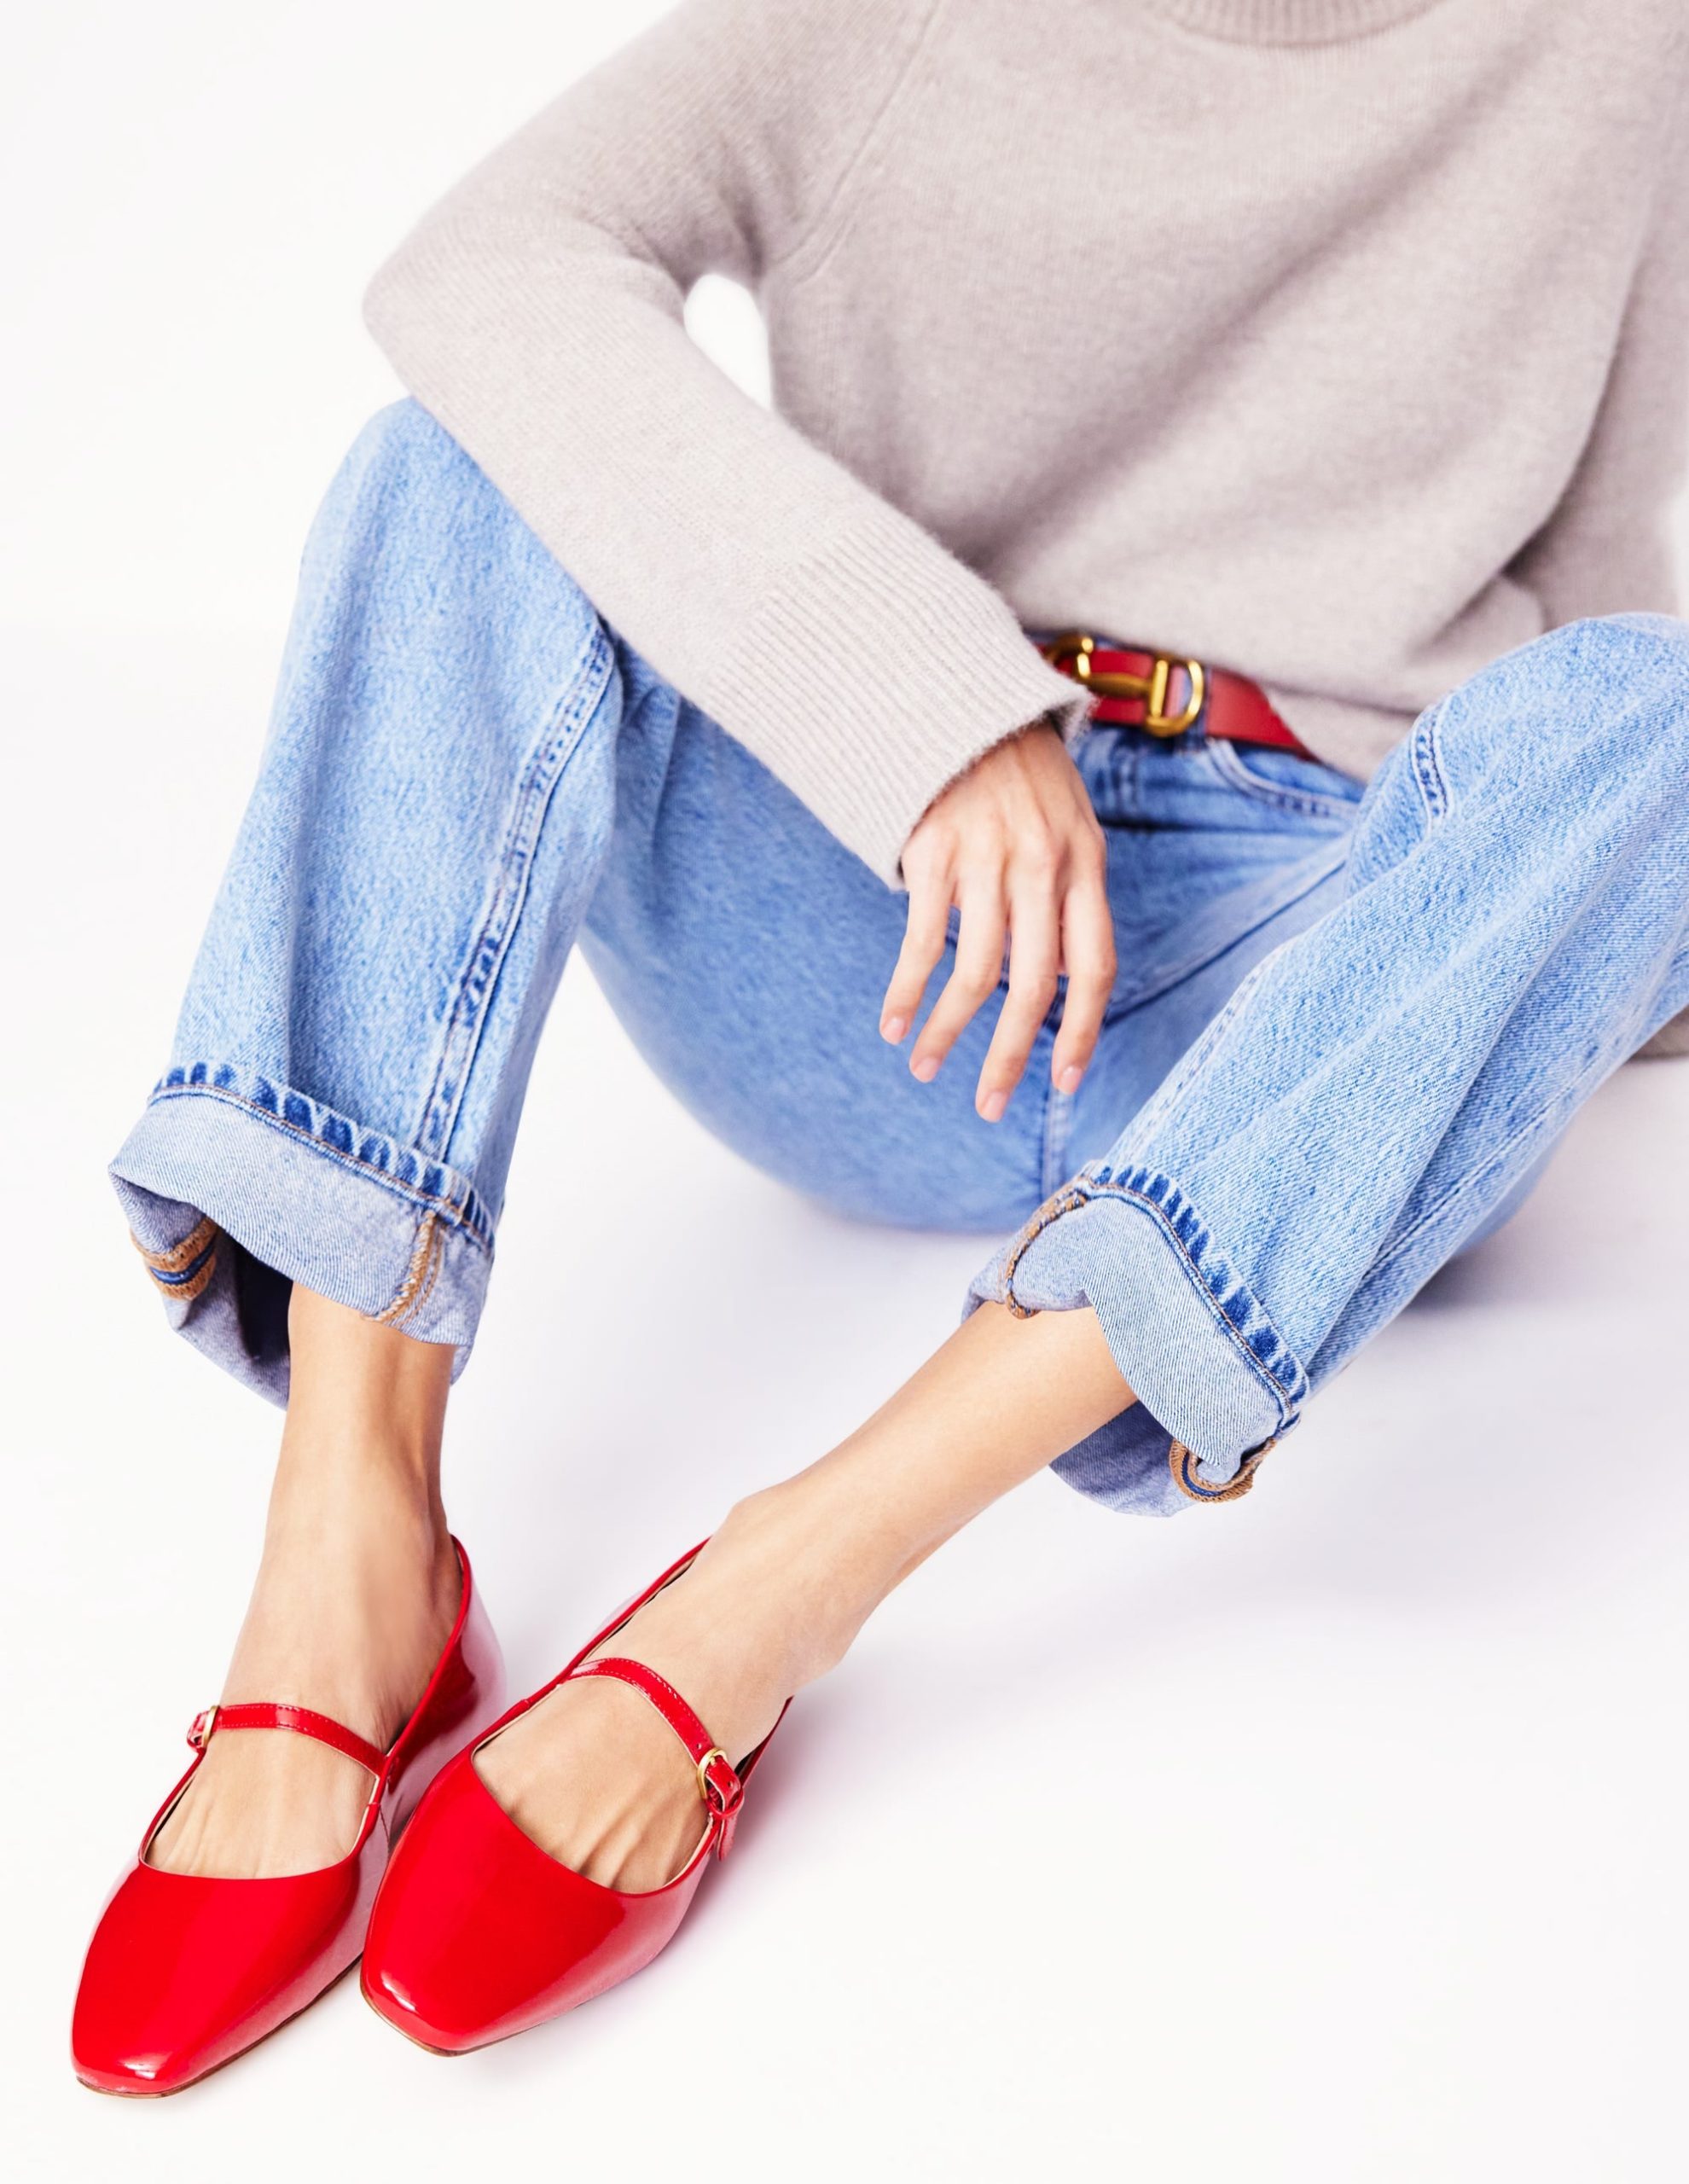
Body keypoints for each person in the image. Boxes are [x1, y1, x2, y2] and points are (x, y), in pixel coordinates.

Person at [72, 0, 1689, 2094]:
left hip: (1295, 997)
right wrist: (923, 705)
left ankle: (772, 1587)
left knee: (1665, 706)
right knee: (451, 452)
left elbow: (1598, 588)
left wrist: (1548, 943)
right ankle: (349, 1545)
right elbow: (487, 262)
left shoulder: (1622, 46)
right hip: (877, 912)